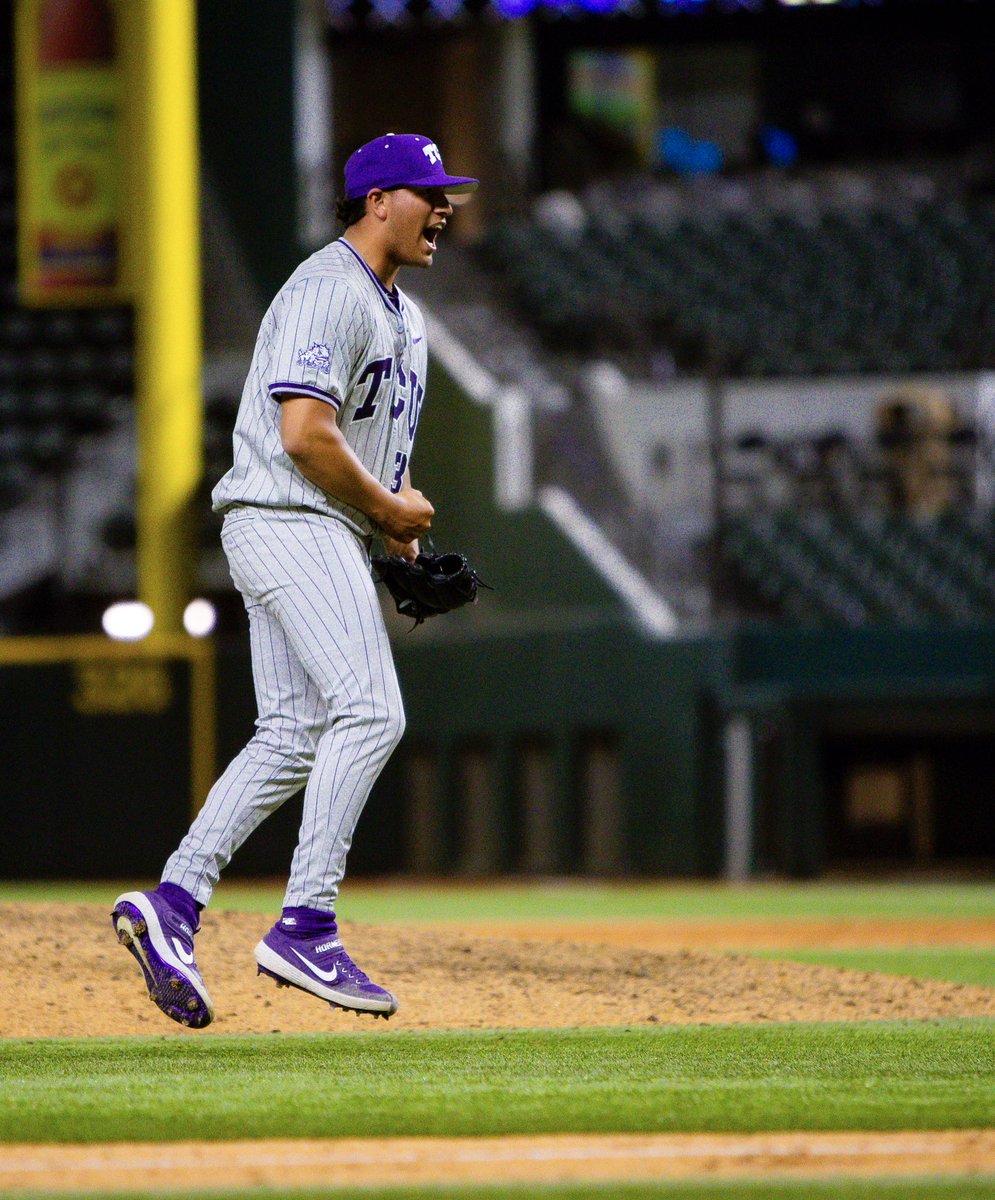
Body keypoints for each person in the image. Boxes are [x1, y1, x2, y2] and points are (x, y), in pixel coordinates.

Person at [111, 134, 478, 1027]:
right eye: (426, 192)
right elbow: (306, 435)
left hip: (313, 528)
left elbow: (363, 451)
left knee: (291, 733)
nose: (444, 207)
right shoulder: (325, 289)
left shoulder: (404, 315)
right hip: (285, 517)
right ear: (375, 199)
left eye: (446, 193)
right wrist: (388, 513)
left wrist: (393, 539)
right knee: (371, 711)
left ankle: (173, 904)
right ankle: (306, 922)